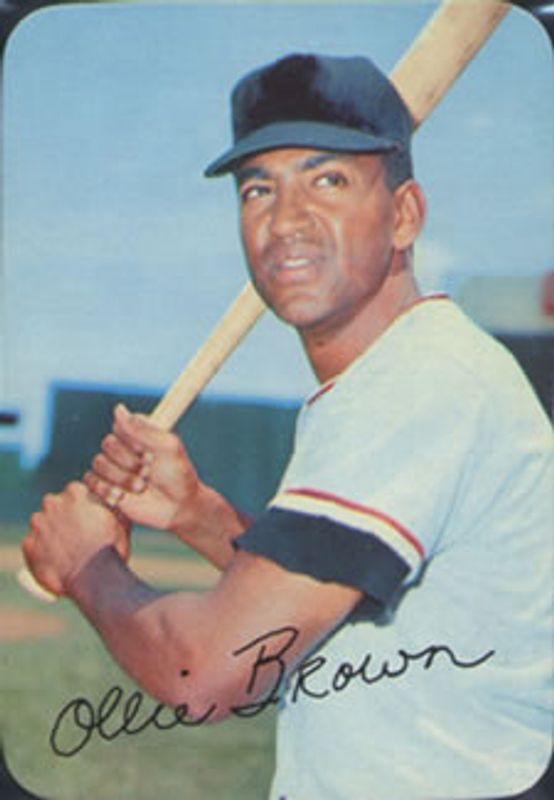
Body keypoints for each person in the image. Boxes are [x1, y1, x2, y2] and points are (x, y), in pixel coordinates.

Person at [22, 53, 553, 799]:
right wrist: (199, 514)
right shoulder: (404, 373)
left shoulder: (420, 386)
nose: (285, 221)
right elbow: (334, 612)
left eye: (327, 180)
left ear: (405, 216)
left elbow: (205, 672)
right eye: (258, 189)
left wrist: (85, 565)